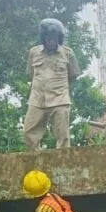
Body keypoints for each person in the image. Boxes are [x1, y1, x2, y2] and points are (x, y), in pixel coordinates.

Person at [24, 19, 81, 149]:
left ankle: (64, 159)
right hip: (37, 99)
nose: (51, 40)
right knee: (28, 131)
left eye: (54, 37)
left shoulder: (68, 53)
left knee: (63, 135)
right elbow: (31, 74)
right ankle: (35, 158)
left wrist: (60, 87)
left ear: (59, 38)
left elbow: (73, 75)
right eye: (48, 37)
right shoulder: (33, 52)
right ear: (43, 38)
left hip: (60, 98)